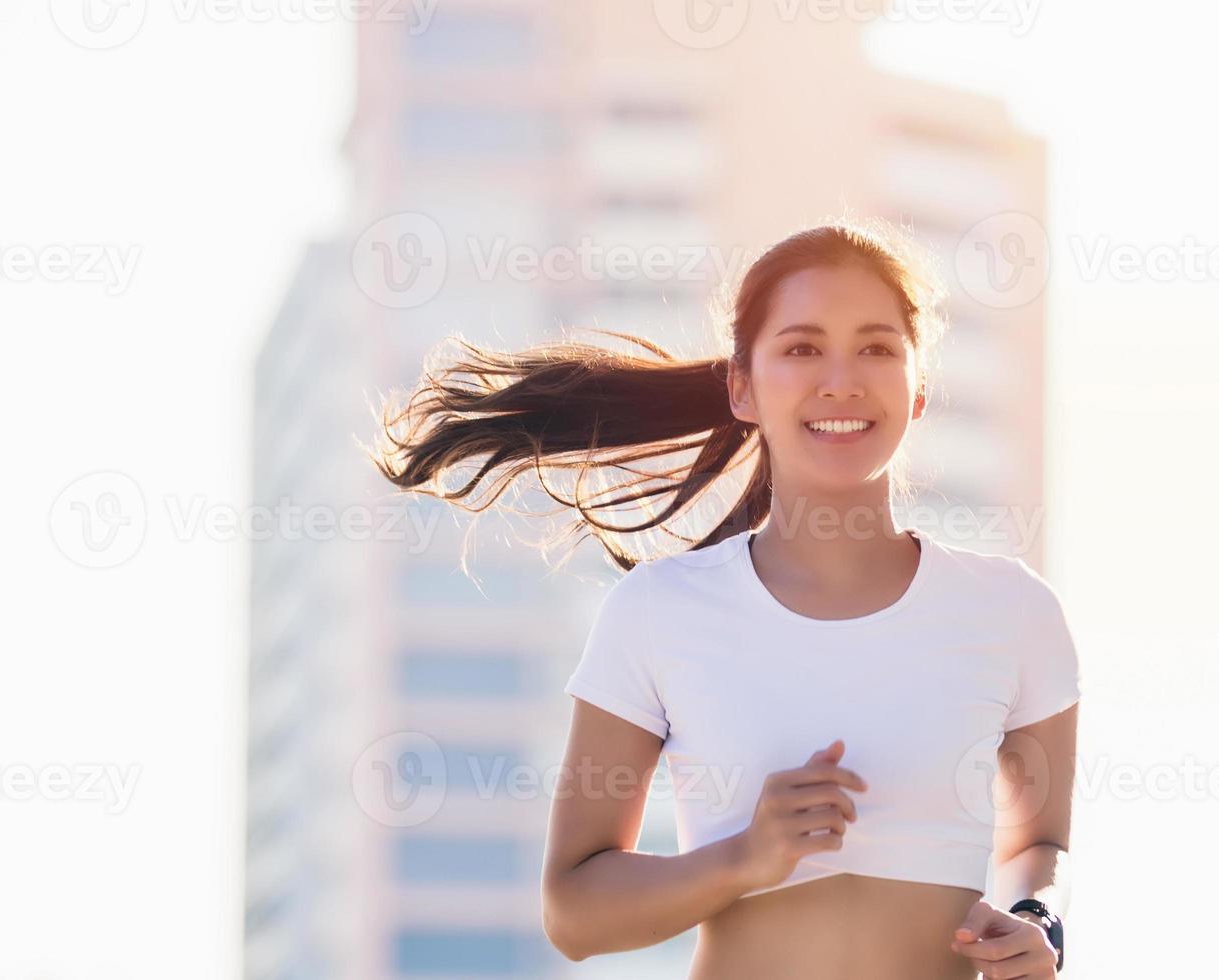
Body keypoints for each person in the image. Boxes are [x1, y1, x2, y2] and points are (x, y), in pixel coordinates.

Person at [375, 220, 1078, 979]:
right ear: (743, 387)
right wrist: (744, 857)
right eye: (803, 348)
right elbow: (573, 913)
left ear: (918, 393)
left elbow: (1040, 846)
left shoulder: (1011, 609)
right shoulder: (658, 612)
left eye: (876, 347)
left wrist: (1037, 919)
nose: (841, 379)